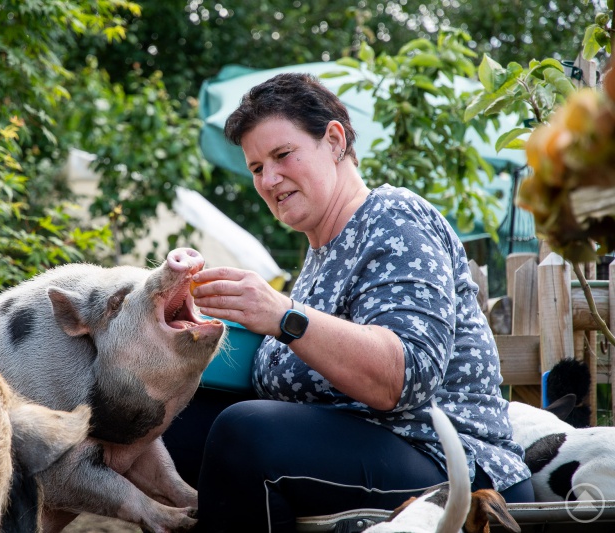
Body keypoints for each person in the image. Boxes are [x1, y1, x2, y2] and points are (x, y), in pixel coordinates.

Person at [162, 72, 533, 532]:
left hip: (451, 465)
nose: (270, 178)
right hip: (375, 453)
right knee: (166, 420)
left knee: (247, 431)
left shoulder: (394, 218)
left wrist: (282, 316)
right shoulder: (319, 256)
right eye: (257, 168)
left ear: (334, 140)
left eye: (282, 155)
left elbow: (404, 378)